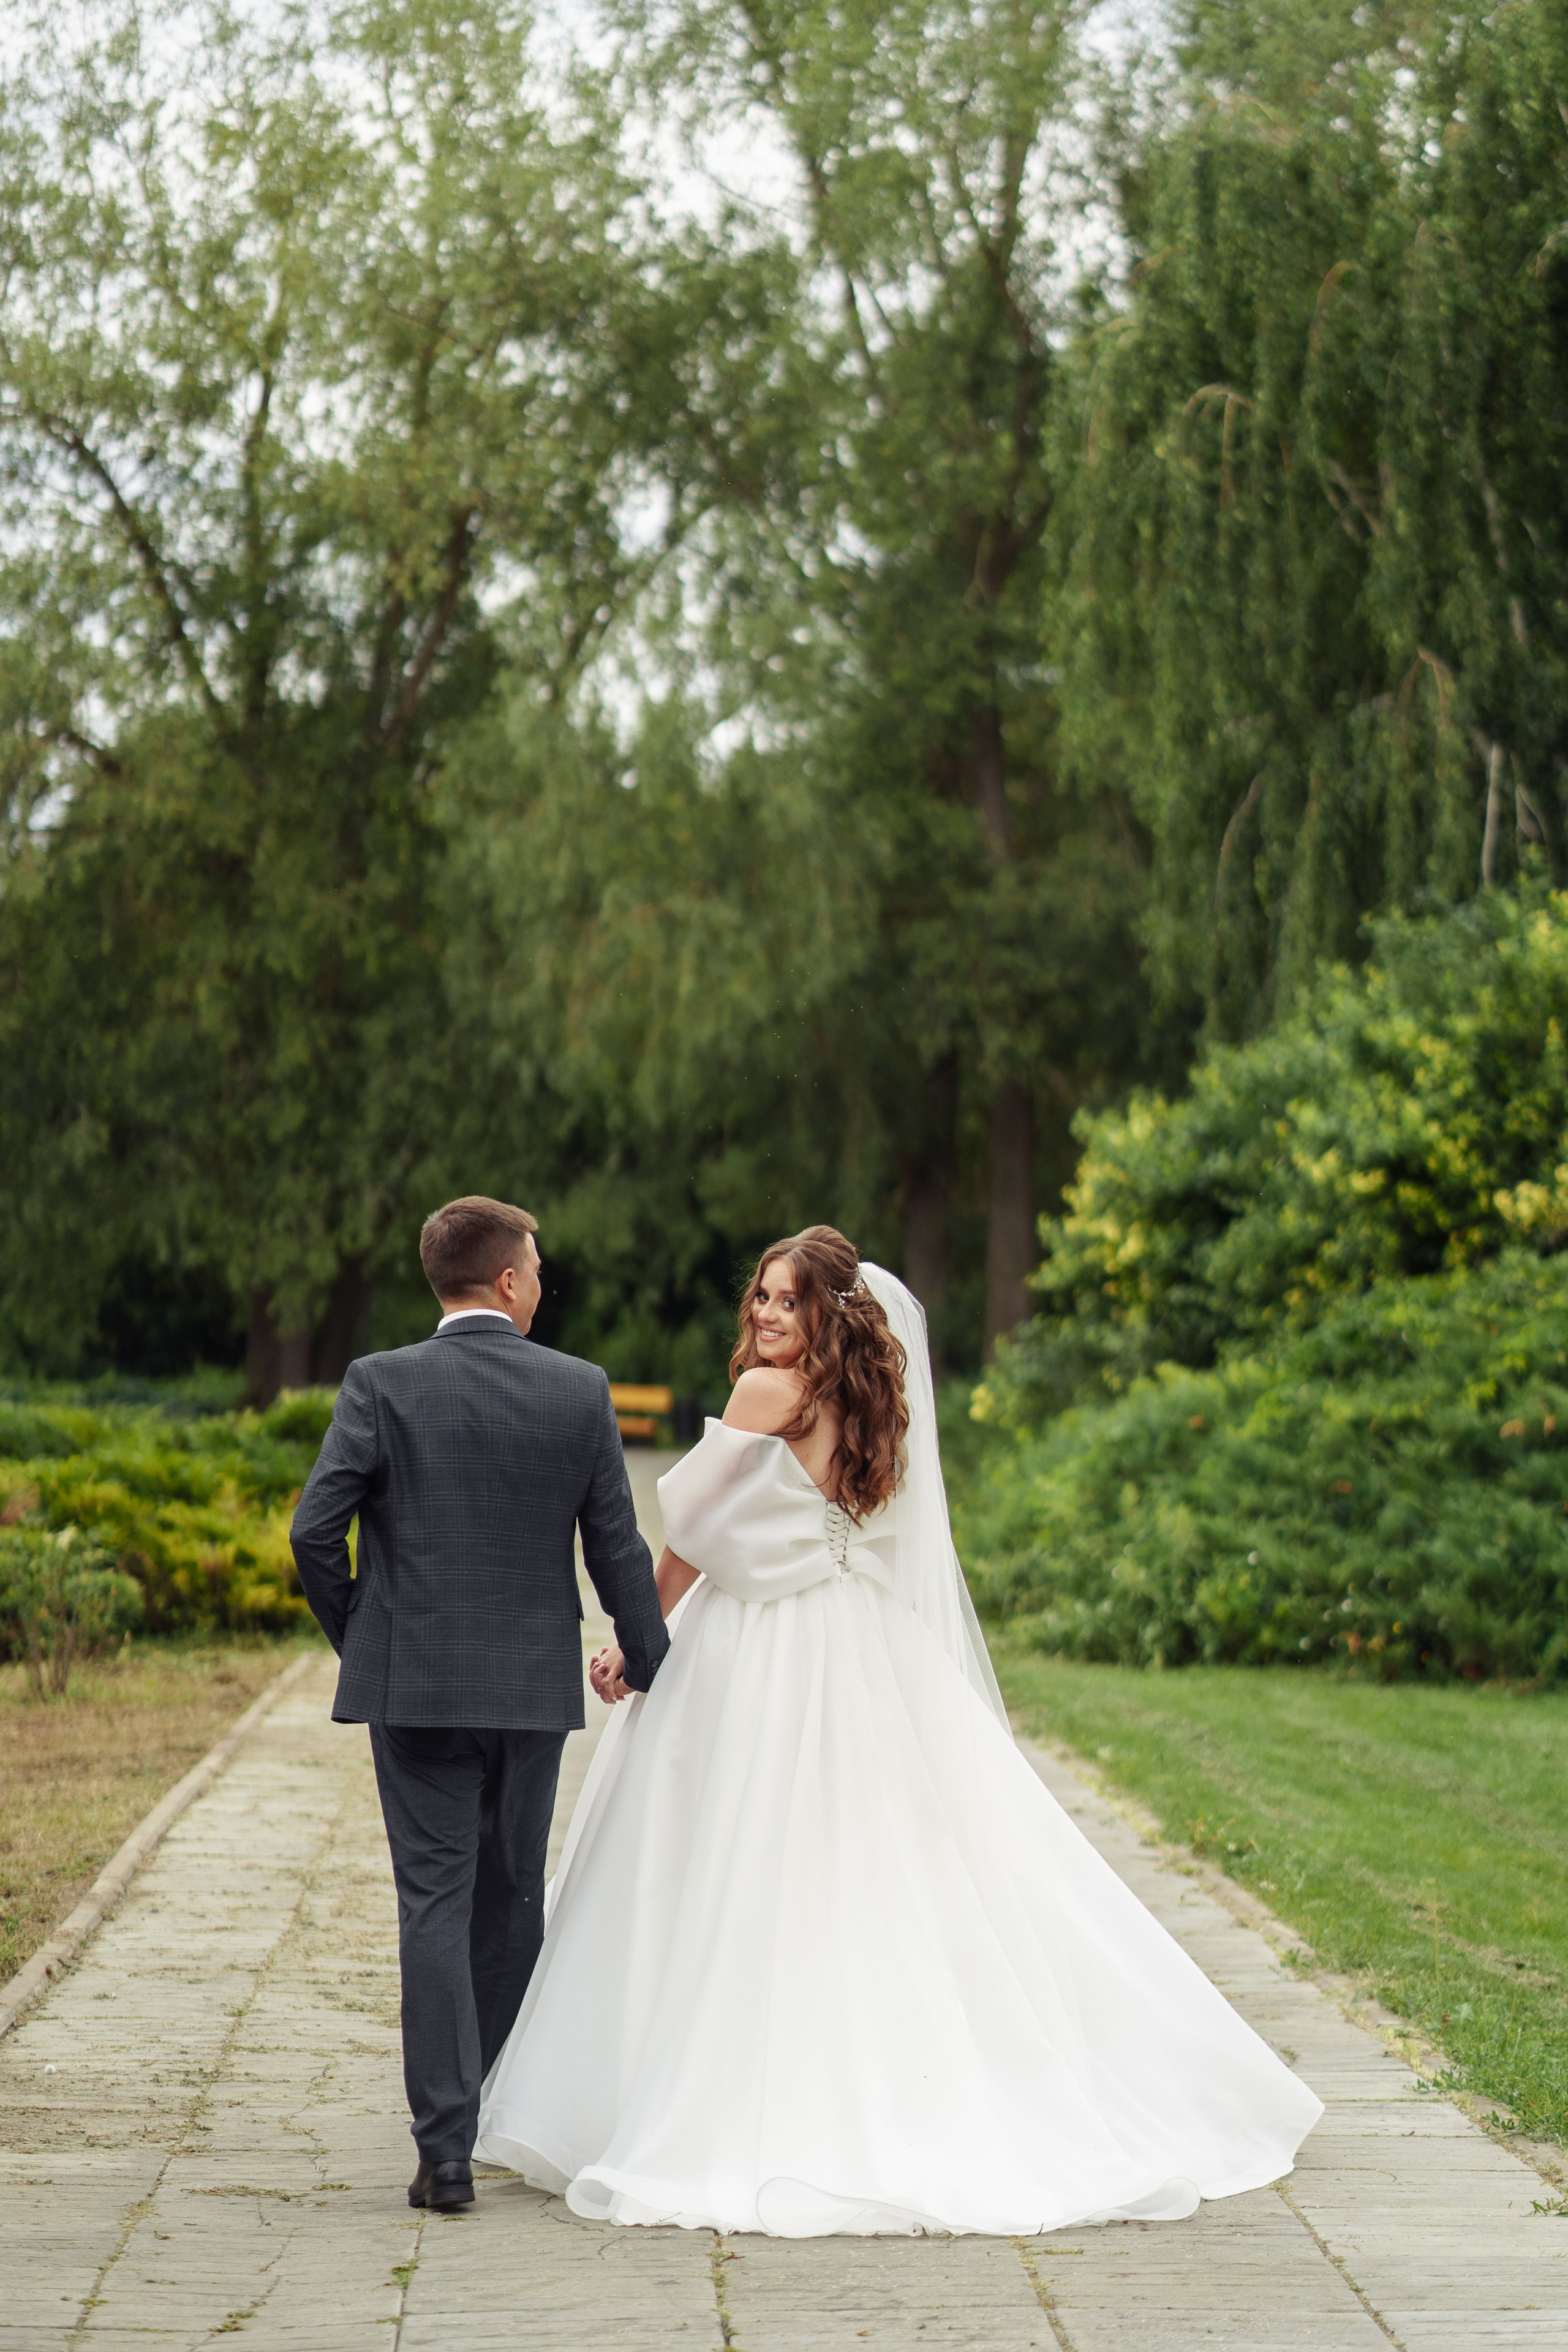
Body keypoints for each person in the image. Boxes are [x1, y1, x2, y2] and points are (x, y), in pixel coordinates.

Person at [475, 1223, 1322, 2236]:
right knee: (882, 1859)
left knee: (722, 1858)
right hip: (861, 1639)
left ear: (829, 1312)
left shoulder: (762, 1397)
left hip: (755, 1644)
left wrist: (633, 1640)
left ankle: (703, 2088)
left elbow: (690, 1540)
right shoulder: (875, 1403)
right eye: (762, 1298)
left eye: (789, 1301)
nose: (767, 1315)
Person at [289, 1196, 668, 2215]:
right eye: (537, 1268)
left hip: (413, 1690)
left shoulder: (381, 1383)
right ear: (506, 1282)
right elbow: (617, 1547)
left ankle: (443, 2149)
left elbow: (312, 1534)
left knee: (434, 1902)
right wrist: (649, 1656)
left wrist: (367, 1637)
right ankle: (499, 2108)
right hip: (529, 1690)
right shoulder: (577, 1390)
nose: (543, 1283)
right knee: (512, 1897)